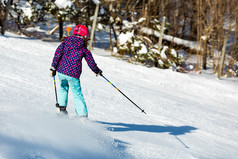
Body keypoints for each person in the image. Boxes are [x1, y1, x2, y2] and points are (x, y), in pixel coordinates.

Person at [50, 24, 102, 117]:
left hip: (61, 71)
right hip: (73, 74)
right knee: (77, 94)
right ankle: (82, 116)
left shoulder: (65, 42)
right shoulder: (83, 47)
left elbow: (57, 54)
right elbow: (90, 61)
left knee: (63, 88)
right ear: (85, 35)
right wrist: (96, 70)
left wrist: (53, 67)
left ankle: (61, 110)